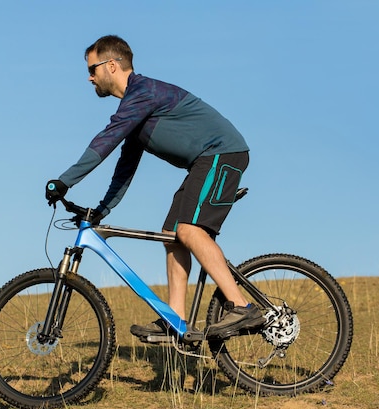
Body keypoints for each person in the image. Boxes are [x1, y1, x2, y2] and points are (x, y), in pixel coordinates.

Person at [45, 35, 264, 338]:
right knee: (172, 235)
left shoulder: (142, 92)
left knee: (189, 231)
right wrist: (102, 210)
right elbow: (124, 169)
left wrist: (64, 180)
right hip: (205, 161)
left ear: (111, 65)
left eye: (92, 69)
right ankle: (175, 320)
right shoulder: (134, 109)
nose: (89, 77)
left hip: (222, 153)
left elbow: (106, 140)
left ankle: (242, 307)